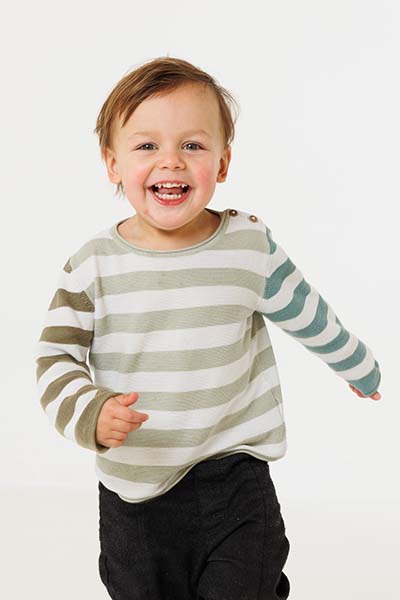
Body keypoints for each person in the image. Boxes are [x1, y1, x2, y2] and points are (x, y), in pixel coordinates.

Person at [34, 56, 381, 600]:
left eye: (192, 145)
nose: (170, 161)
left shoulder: (248, 246)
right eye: (147, 146)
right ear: (112, 164)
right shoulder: (92, 265)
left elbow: (308, 311)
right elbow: (56, 358)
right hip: (136, 491)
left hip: (235, 476)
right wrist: (91, 412)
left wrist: (357, 365)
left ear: (222, 163)